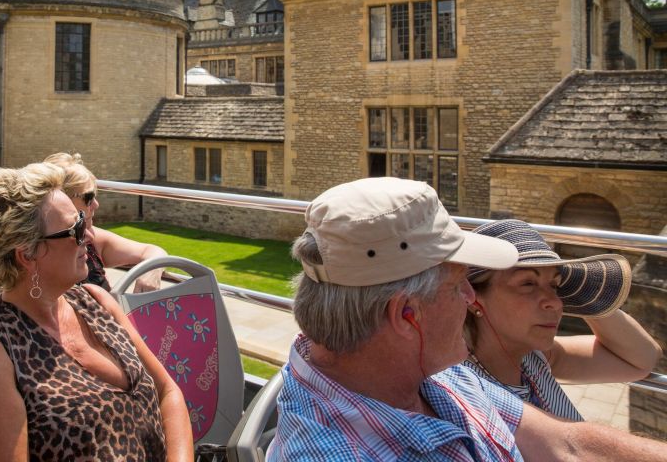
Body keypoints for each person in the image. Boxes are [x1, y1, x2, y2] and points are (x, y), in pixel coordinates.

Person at [269, 177, 667, 461]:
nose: (470, 298)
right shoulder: (335, 450)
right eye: (459, 284)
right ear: (408, 315)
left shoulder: (437, 372)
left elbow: (568, 444)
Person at [0, 163, 192, 461]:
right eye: (75, 229)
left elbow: (168, 392)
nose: (88, 236)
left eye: (82, 220)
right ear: (28, 255)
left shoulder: (96, 301)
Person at [463, 219, 661, 420]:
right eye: (528, 283)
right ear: (471, 298)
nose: (557, 303)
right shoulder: (464, 389)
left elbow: (642, 359)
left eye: (555, 285)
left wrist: (585, 295)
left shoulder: (534, 358)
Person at [45, 152, 167, 292]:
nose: (96, 205)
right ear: (61, 199)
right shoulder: (41, 251)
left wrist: (151, 271)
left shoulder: (93, 239)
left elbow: (153, 251)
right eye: (89, 197)